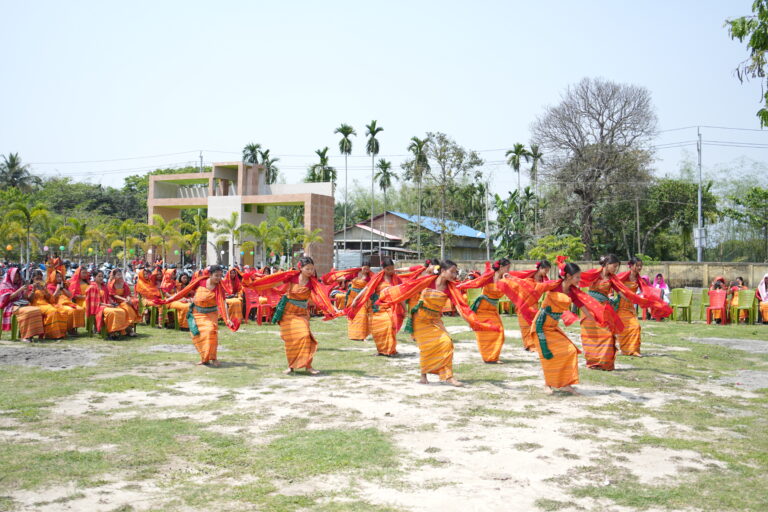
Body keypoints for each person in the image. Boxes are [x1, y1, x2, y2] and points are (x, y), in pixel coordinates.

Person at [375, 259, 500, 387]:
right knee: (426, 347)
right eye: (452, 272)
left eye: (455, 272)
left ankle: (448, 376)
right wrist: (387, 294)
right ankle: (423, 376)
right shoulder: (427, 281)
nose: (454, 275)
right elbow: (407, 288)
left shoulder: (451, 288)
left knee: (447, 342)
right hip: (420, 319)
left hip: (435, 320)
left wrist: (473, 321)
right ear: (443, 271)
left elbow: (461, 307)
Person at [245, 257, 340, 375]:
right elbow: (274, 282)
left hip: (302, 313)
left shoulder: (312, 282)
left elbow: (321, 297)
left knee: (305, 336)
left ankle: (308, 366)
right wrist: (256, 283)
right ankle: (291, 367)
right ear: (301, 268)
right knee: (290, 340)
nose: (310, 271)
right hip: (288, 313)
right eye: (307, 269)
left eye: (312, 269)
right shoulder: (292, 277)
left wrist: (333, 309)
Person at [161, 265, 239, 366]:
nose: (219, 278)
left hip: (211, 314)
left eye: (220, 276)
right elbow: (185, 291)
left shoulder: (219, 287)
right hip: (197, 313)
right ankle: (204, 359)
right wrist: (169, 299)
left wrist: (227, 319)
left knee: (211, 332)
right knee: (198, 335)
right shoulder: (201, 281)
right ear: (210, 275)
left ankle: (213, 358)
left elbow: (223, 302)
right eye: (216, 275)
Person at [456, 258, 516, 363]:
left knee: (499, 332)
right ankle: (489, 358)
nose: (508, 270)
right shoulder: (489, 277)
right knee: (484, 333)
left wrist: (509, 280)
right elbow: (475, 283)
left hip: (492, 310)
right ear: (501, 267)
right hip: (482, 309)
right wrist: (458, 286)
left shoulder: (505, 279)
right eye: (507, 268)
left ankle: (492, 356)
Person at [347, 257, 404, 356]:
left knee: (389, 326)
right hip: (378, 307)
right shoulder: (377, 278)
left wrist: (404, 308)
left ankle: (390, 350)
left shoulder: (397, 279)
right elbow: (366, 289)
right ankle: (381, 350)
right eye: (388, 269)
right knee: (378, 330)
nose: (391, 271)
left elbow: (400, 294)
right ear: (383, 268)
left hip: (391, 307)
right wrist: (356, 299)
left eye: (392, 269)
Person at [0, 267, 44, 342]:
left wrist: (27, 290)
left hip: (20, 304)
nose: (17, 278)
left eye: (18, 276)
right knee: (28, 312)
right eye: (15, 277)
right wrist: (20, 290)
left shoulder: (18, 284)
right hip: (10, 305)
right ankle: (25, 336)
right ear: (11, 276)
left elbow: (25, 298)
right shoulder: (5, 284)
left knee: (36, 310)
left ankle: (32, 334)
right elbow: (8, 298)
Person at [86, 270, 130, 339]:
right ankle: (111, 332)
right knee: (112, 312)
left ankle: (118, 331)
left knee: (121, 311)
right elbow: (95, 303)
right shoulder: (92, 287)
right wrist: (107, 305)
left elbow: (108, 298)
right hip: (97, 307)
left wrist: (112, 303)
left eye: (102, 276)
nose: (101, 278)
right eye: (99, 276)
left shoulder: (104, 286)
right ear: (94, 277)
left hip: (106, 306)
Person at [29, 270, 71, 340]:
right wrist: (33, 289)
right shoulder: (30, 287)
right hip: (36, 305)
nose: (39, 280)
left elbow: (50, 299)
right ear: (33, 279)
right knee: (53, 311)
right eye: (37, 279)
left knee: (60, 311)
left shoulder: (43, 287)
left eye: (40, 278)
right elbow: (30, 299)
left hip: (46, 304)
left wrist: (45, 290)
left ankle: (59, 333)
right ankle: (50, 334)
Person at [616, 257, 644, 357]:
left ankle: (634, 350)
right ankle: (625, 350)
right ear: (631, 266)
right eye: (637, 265)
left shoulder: (639, 280)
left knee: (636, 326)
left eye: (641, 265)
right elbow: (612, 283)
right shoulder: (623, 276)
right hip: (620, 306)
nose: (639, 267)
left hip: (630, 307)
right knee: (624, 329)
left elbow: (646, 290)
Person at [107, 269, 139, 336]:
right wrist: (124, 299)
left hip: (123, 301)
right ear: (114, 276)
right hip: (114, 302)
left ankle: (129, 329)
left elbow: (127, 294)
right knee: (125, 308)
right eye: (118, 275)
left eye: (120, 274)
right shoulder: (110, 284)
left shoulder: (124, 283)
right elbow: (114, 295)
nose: (120, 276)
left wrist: (128, 299)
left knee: (129, 306)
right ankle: (129, 330)